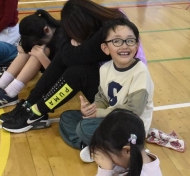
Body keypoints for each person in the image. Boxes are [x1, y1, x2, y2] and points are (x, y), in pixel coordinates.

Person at [0, 0, 134, 133]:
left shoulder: (111, 32)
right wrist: (69, 42)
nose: (72, 35)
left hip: (120, 100)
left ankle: (36, 112)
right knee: (64, 59)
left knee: (78, 72)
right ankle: (30, 104)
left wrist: (67, 41)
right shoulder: (108, 20)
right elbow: (67, 54)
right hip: (112, 87)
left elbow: (69, 57)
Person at [58, 19, 154, 163]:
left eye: (130, 41)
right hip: (111, 120)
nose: (124, 46)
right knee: (67, 118)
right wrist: (91, 110)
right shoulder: (105, 69)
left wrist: (98, 114)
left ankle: (103, 147)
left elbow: (133, 111)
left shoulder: (140, 72)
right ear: (105, 48)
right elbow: (102, 98)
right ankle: (96, 147)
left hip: (131, 128)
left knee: (83, 128)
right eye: (117, 41)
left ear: (136, 46)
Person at [0, 9, 60, 109]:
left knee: (39, 52)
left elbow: (58, 75)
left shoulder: (62, 40)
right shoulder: (43, 27)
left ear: (46, 30)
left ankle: (11, 93)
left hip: (59, 74)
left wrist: (41, 55)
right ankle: (1, 85)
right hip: (50, 64)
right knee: (27, 51)